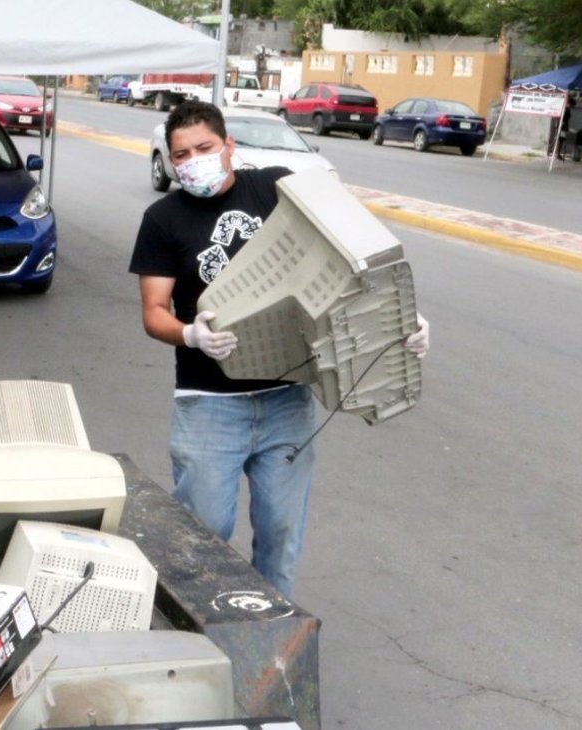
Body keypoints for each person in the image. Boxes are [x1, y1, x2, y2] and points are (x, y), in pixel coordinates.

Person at [127, 100, 431, 598]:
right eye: (181, 155)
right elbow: (153, 311)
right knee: (202, 535)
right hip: (209, 405)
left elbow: (342, 259)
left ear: (229, 147)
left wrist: (401, 318)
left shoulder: (273, 188)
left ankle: (270, 636)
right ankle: (202, 630)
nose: (193, 161)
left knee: (281, 534)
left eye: (204, 148)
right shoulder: (163, 219)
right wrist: (189, 335)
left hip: (285, 399)